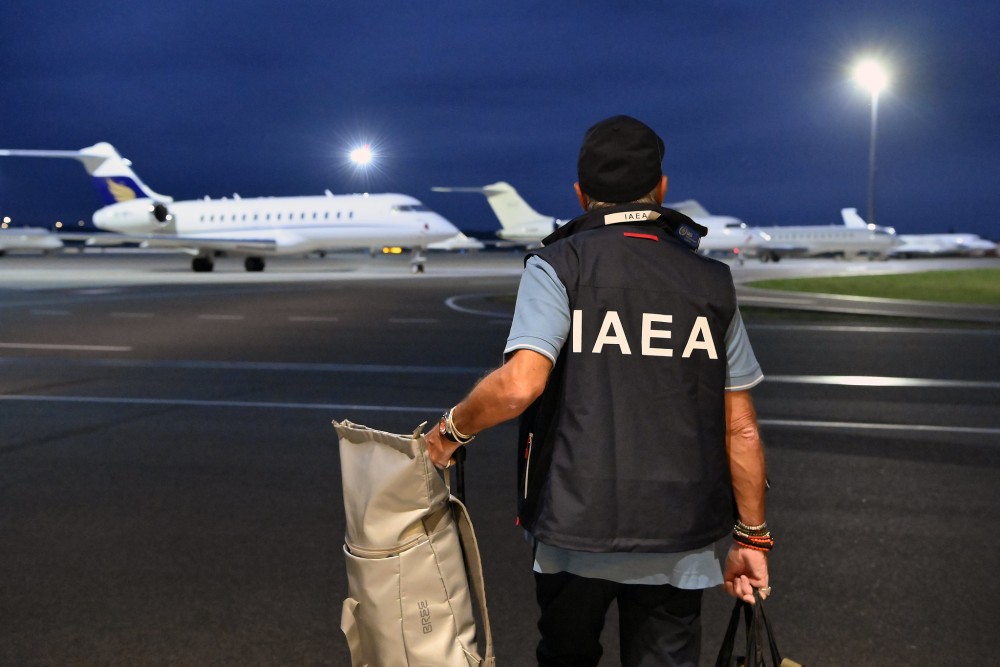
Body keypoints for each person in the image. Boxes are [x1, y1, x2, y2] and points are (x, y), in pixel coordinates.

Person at [425, 115, 770, 667]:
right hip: (679, 534)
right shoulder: (709, 281)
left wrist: (447, 434)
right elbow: (741, 427)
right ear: (661, 188)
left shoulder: (559, 264)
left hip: (572, 530)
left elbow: (519, 385)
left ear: (581, 195)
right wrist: (752, 538)